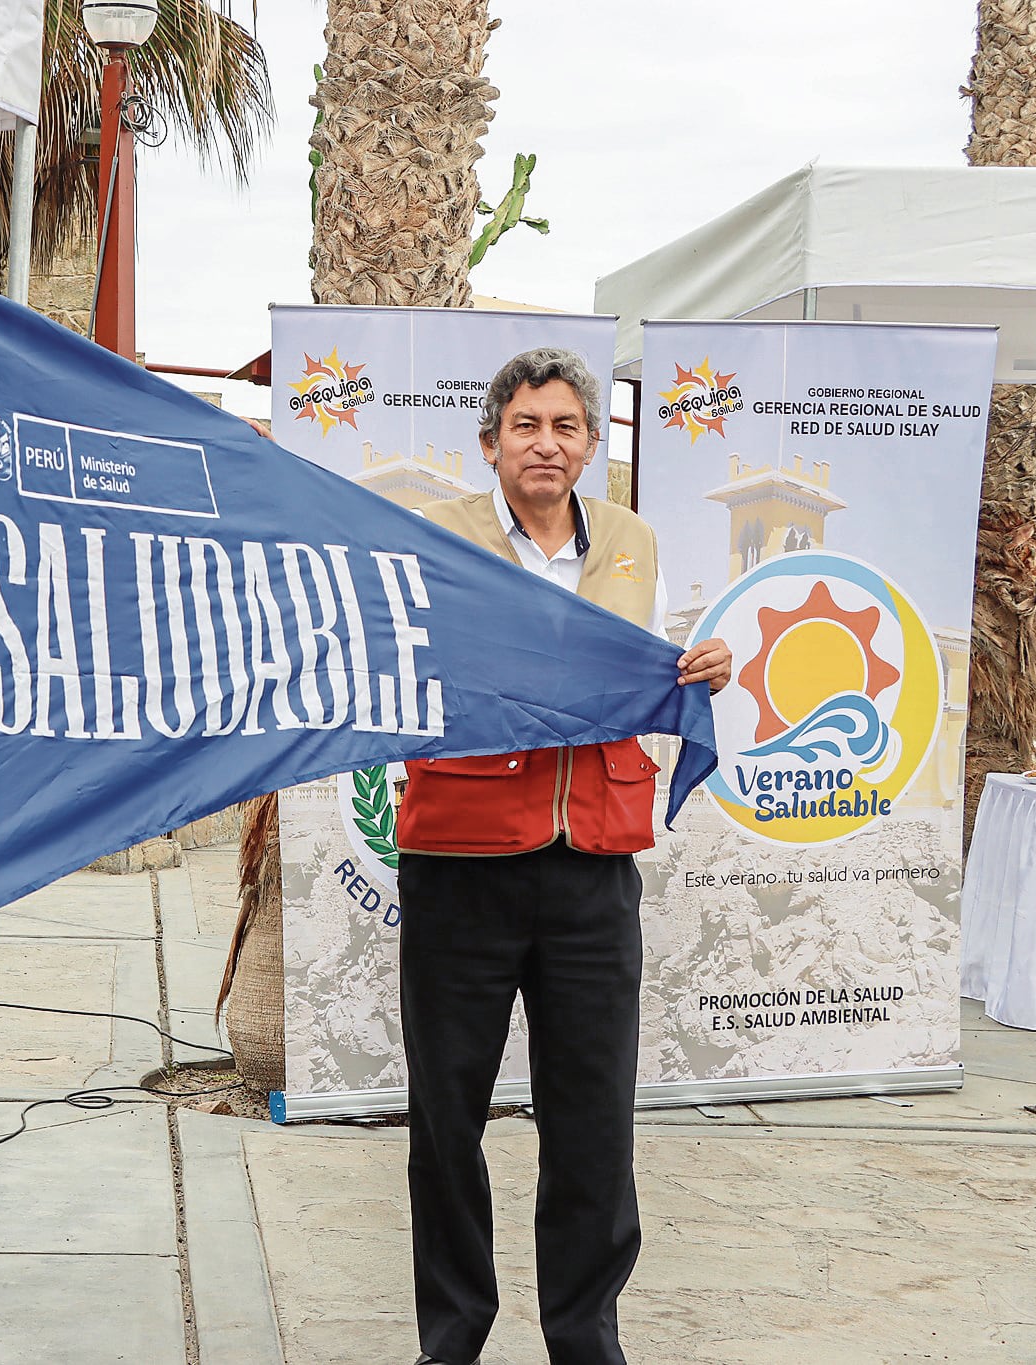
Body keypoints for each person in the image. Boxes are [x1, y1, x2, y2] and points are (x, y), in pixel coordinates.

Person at [396, 347, 731, 1365]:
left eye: (565, 427)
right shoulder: (433, 537)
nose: (546, 443)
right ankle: (451, 1338)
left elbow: (651, 662)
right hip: (461, 861)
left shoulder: (632, 540)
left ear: (590, 445)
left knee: (592, 1122)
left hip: (592, 865)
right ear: (490, 441)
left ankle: (584, 1339)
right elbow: (405, 663)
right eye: (526, 425)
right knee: (445, 1119)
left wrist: (700, 667)